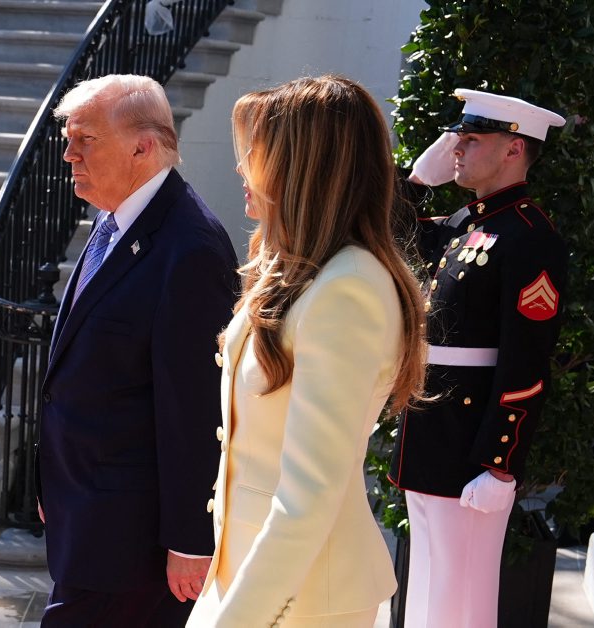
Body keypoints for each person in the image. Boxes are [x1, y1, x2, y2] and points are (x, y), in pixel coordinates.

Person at [186, 75, 427, 627]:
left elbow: (307, 497)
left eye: (257, 151)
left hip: (303, 597)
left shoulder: (348, 288)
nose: (241, 168)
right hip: (257, 579)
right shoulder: (301, 269)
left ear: (303, 166)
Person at [35, 74, 238, 627]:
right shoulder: (117, 219)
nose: (69, 154)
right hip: (89, 514)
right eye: (69, 139)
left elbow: (196, 406)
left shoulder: (190, 247)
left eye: (86, 140)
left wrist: (191, 539)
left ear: (143, 148)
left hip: (133, 540)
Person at [389, 88, 569, 627]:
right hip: (430, 431)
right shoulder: (466, 223)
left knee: (460, 600)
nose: (458, 149)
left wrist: (500, 462)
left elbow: (526, 359)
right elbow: (390, 232)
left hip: (471, 447)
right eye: (457, 139)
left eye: (471, 139)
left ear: (514, 148)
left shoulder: (530, 235)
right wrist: (416, 182)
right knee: (426, 591)